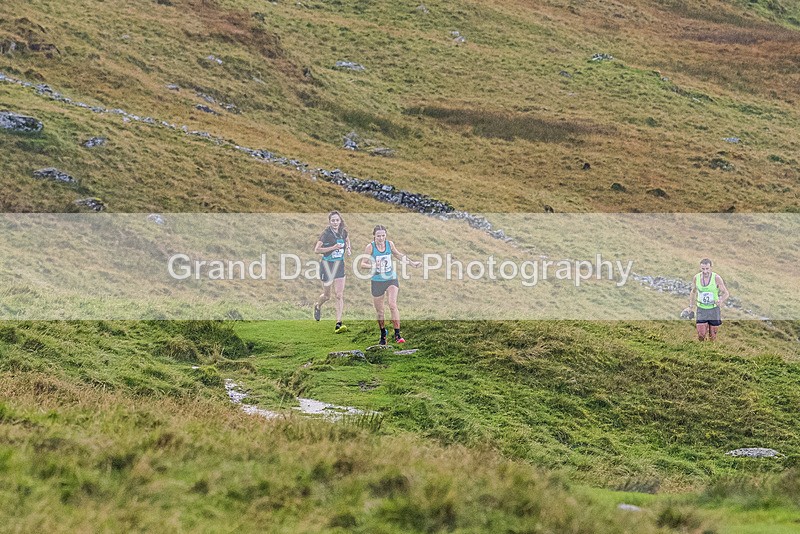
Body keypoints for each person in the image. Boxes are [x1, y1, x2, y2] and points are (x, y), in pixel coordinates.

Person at [360, 225, 421, 345]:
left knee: (392, 305)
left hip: (391, 278)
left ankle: (398, 335)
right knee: (380, 311)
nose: (381, 238)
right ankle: (383, 334)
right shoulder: (370, 247)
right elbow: (362, 264)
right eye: (378, 236)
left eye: (383, 235)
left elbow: (398, 255)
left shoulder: (390, 244)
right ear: (374, 236)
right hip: (377, 280)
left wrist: (412, 263)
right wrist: (374, 266)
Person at [313, 211, 351, 333]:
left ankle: (338, 323)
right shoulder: (326, 234)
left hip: (339, 265)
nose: (335, 223)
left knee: (339, 295)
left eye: (337, 220)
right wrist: (333, 248)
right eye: (333, 220)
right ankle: (318, 306)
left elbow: (347, 239)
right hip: (327, 265)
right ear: (330, 222)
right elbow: (317, 250)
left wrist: (348, 248)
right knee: (327, 296)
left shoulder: (343, 231)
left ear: (340, 221)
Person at [683, 258, 730, 341]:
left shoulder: (716, 278)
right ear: (700, 268)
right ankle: (701, 350)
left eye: (707, 269)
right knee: (701, 335)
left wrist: (721, 300)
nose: (705, 271)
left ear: (711, 267)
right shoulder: (696, 278)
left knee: (713, 336)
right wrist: (690, 306)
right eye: (703, 269)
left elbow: (726, 293)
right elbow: (693, 292)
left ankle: (711, 351)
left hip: (713, 309)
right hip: (701, 309)